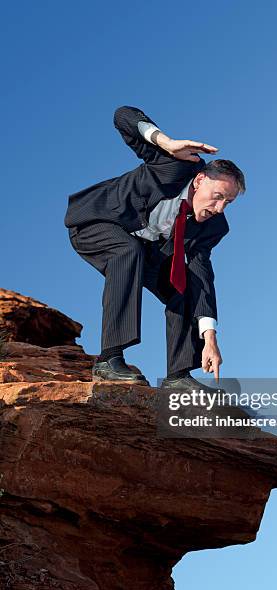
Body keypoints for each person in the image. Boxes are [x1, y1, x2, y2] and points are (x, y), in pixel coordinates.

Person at [64, 105, 245, 392]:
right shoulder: (175, 166)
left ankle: (178, 375)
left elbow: (202, 276)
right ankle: (109, 359)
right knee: (127, 251)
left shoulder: (214, 226)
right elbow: (122, 116)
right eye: (218, 197)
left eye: (229, 202)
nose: (219, 208)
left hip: (142, 244)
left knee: (183, 286)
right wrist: (165, 142)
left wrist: (209, 337)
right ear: (199, 181)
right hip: (95, 223)